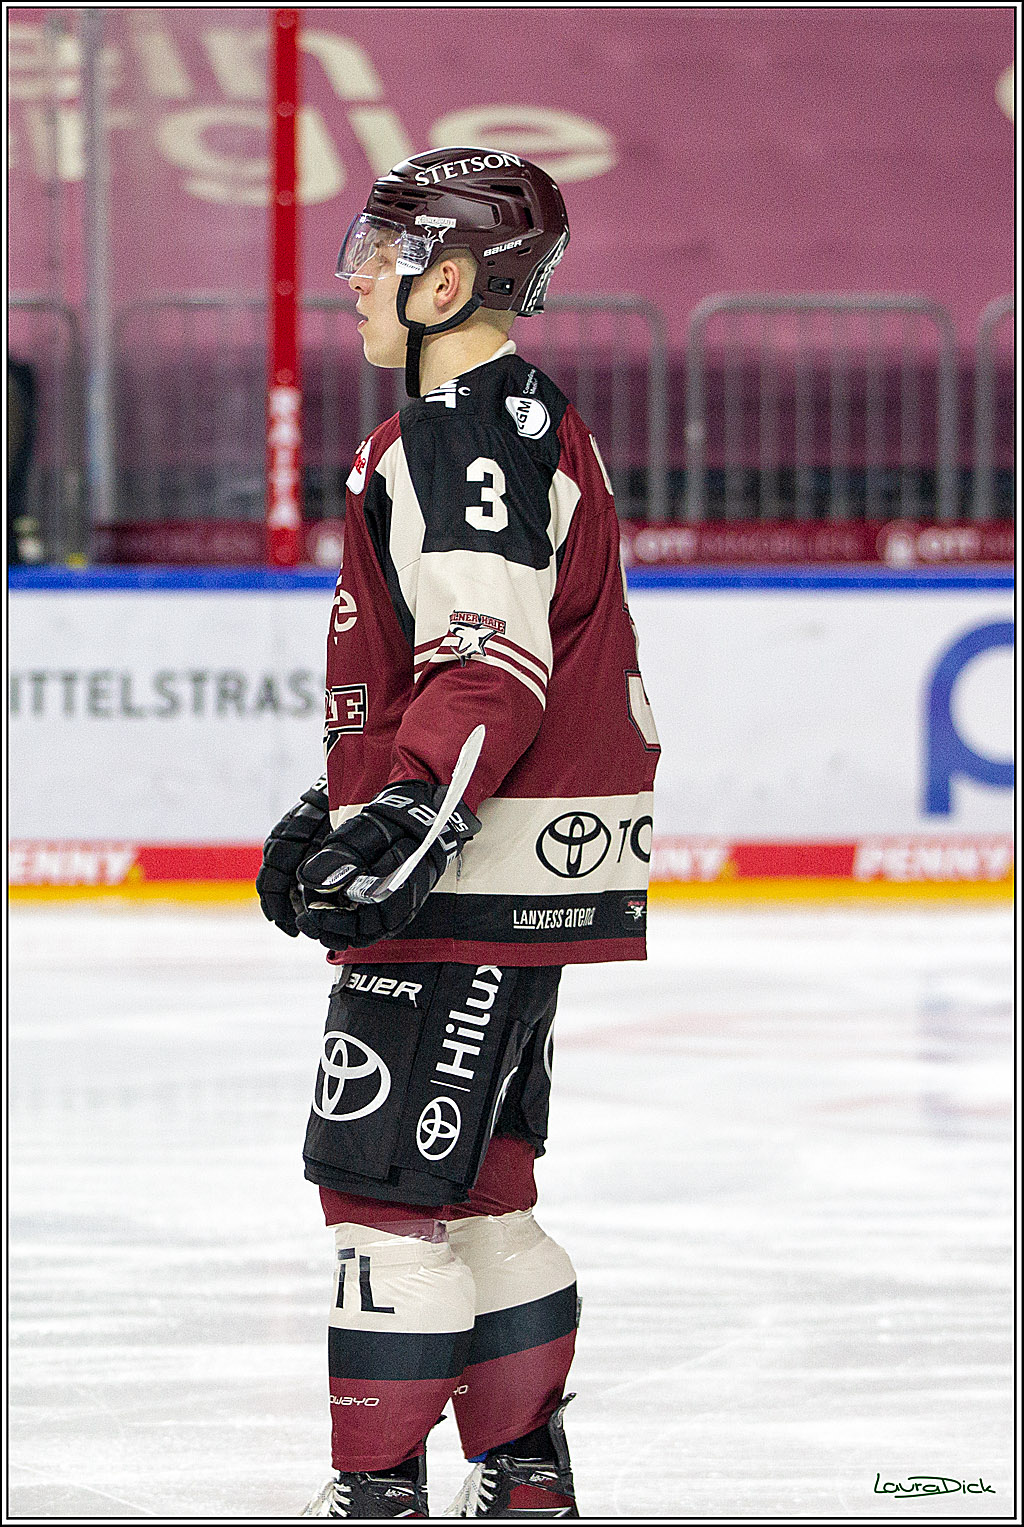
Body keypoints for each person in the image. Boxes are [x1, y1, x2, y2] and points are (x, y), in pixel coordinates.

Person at [256, 146, 660, 1519]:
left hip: (470, 867)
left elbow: (490, 668)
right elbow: (476, 660)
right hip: (518, 858)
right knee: (483, 1184)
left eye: (380, 253)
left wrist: (413, 817)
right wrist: (348, 801)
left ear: (445, 277)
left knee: (377, 1192)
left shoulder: (457, 432)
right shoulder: (512, 419)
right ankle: (525, 1474)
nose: (354, 276)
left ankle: (374, 1493)